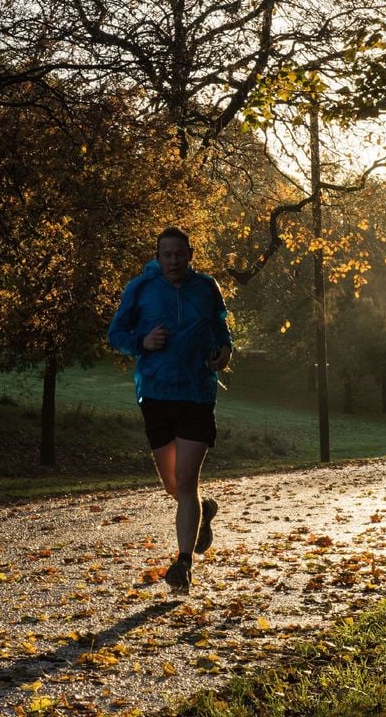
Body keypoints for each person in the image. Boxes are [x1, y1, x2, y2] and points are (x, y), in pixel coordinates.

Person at [108, 226, 233, 592]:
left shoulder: (207, 287)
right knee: (174, 486)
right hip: (157, 393)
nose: (174, 260)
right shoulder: (140, 289)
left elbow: (221, 329)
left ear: (190, 254)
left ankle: (183, 564)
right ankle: (203, 512)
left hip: (197, 393)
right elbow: (116, 334)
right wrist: (142, 342)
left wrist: (226, 351)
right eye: (167, 254)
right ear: (158, 256)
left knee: (187, 480)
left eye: (180, 253)